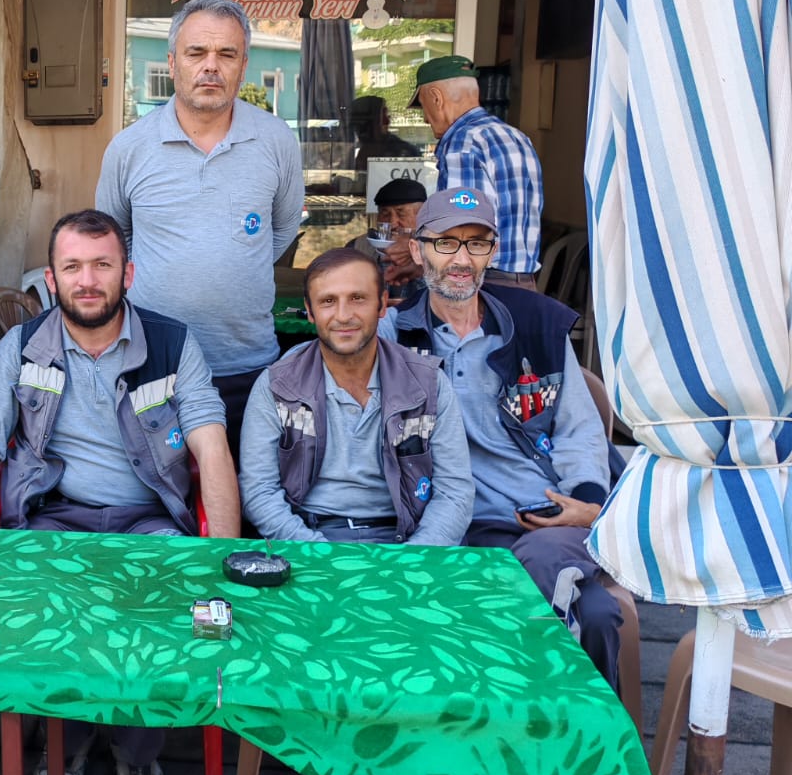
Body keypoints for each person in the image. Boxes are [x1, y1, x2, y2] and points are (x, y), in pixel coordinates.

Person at [0, 209, 240, 775]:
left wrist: (217, 558)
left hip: (148, 518)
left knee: (161, 603)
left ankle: (136, 753)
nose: (87, 280)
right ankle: (68, 747)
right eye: (73, 267)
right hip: (53, 517)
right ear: (51, 280)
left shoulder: (171, 344)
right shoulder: (21, 347)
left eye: (102, 265)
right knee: (56, 608)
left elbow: (211, 449)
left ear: (127, 274)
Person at [380, 187, 622, 688]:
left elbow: (579, 430)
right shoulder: (394, 336)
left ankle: (585, 735)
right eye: (445, 243)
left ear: (493, 253)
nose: (461, 259)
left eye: (477, 243)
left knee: (594, 614)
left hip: (543, 518)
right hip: (449, 524)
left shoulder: (537, 326)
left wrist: (587, 503)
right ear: (418, 250)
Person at [95, 0, 305, 451]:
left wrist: (231, 263)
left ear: (243, 65)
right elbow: (112, 244)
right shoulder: (129, 148)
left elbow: (282, 229)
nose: (211, 66)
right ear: (172, 62)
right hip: (153, 364)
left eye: (226, 54)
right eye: (196, 53)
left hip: (247, 367)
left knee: (247, 488)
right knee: (158, 488)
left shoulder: (276, 141)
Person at [240, 247, 472, 546]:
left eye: (357, 298)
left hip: (408, 537)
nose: (343, 315)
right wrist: (318, 552)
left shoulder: (428, 383)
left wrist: (414, 556)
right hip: (308, 536)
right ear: (310, 311)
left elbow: (454, 492)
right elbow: (259, 492)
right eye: (328, 301)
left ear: (382, 304)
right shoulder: (277, 385)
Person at [410, 55, 545, 290]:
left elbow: (459, 231)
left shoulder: (463, 141)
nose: (424, 118)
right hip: (524, 284)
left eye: (423, 106)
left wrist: (413, 250)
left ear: (436, 98)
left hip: (482, 285)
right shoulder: (517, 137)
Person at [347, 177, 426, 297]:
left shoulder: (435, 248)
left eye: (401, 214)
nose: (393, 223)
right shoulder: (357, 247)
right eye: (385, 214)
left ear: (422, 216)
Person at [349, 94, 421, 173]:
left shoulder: (404, 153)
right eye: (382, 116)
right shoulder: (352, 153)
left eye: (386, 114)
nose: (387, 121)